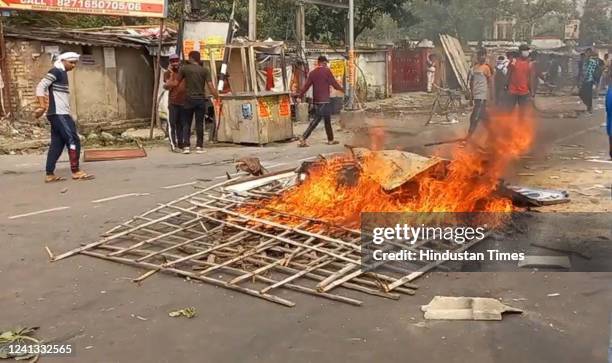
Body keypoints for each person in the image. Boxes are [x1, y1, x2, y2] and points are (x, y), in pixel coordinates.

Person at [34, 52, 94, 183]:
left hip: (59, 113)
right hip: (58, 114)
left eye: (75, 63)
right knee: (73, 139)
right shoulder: (56, 71)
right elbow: (40, 86)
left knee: (57, 144)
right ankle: (76, 171)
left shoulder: (62, 73)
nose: (73, 66)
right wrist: (42, 106)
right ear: (63, 61)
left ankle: (50, 174)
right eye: (71, 62)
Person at [295, 55, 345, 147]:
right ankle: (303, 137)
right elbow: (334, 84)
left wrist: (299, 96)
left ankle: (330, 139)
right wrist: (343, 90)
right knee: (317, 119)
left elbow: (306, 86)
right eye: (326, 63)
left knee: (327, 120)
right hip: (325, 100)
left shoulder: (312, 73)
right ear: (323, 62)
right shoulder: (326, 71)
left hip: (317, 100)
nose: (326, 65)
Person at [176, 51, 218, 154]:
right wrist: (217, 96)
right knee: (200, 123)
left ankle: (186, 146)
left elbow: (176, 82)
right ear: (199, 59)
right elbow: (210, 85)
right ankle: (199, 146)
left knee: (186, 123)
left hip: (188, 99)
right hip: (200, 100)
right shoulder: (204, 70)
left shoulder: (184, 69)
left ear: (191, 58)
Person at [163, 54, 186, 152]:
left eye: (176, 61)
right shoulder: (167, 73)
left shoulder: (183, 72)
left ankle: (181, 144)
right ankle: (174, 145)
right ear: (170, 63)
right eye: (173, 61)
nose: (175, 63)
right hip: (173, 102)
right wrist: (171, 74)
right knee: (172, 124)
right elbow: (167, 85)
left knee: (181, 124)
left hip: (183, 102)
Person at [467, 49, 492, 138]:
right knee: (484, 117)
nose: (481, 57)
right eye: (480, 55)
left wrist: (490, 96)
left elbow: (490, 82)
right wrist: (471, 95)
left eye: (483, 55)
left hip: (482, 95)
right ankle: (493, 134)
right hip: (476, 95)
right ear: (477, 57)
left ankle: (468, 137)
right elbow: (471, 82)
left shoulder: (486, 68)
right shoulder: (474, 68)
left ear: (485, 56)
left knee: (475, 117)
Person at [506, 44, 534, 114]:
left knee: (522, 112)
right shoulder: (513, 61)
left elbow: (530, 79)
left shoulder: (529, 63)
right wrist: (506, 86)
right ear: (520, 52)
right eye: (524, 50)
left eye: (527, 50)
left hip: (524, 92)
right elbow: (508, 74)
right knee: (509, 110)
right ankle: (507, 124)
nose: (526, 52)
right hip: (513, 91)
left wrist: (531, 91)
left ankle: (520, 124)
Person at [579, 48, 598, 114]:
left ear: (590, 53)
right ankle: (588, 106)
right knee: (581, 93)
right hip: (584, 80)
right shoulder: (584, 62)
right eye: (586, 53)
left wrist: (595, 81)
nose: (587, 54)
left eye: (589, 53)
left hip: (590, 80)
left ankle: (589, 108)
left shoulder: (593, 62)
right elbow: (582, 71)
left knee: (589, 95)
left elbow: (594, 71)